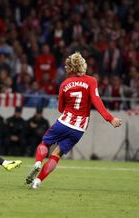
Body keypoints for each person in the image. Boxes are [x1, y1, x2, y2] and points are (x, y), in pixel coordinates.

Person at [26, 52, 122, 189]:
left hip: (64, 122)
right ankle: (38, 181)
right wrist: (110, 118)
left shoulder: (65, 84)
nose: (65, 68)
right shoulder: (91, 81)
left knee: (45, 143)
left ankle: (37, 163)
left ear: (71, 68)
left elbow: (60, 108)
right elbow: (96, 101)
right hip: (79, 129)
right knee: (57, 154)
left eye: (66, 66)